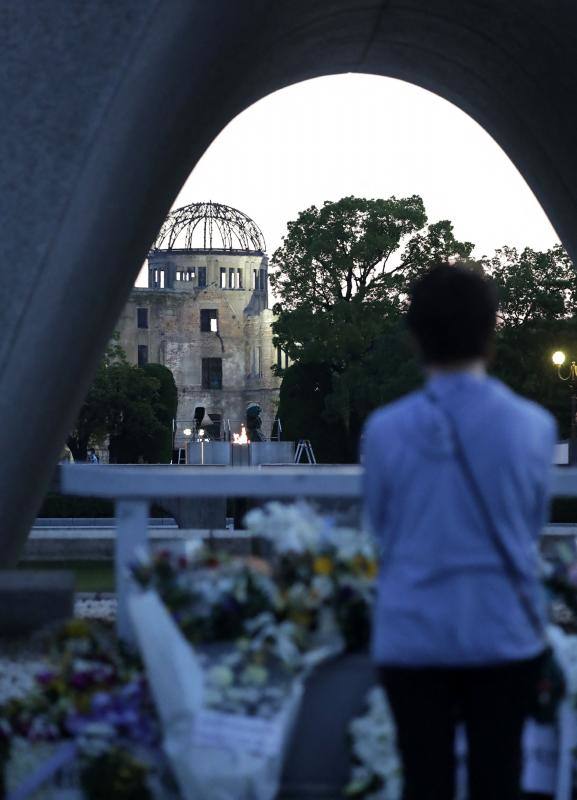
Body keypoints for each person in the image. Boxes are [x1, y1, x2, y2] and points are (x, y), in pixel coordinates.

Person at [361, 263, 556, 799]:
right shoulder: (535, 427)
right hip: (501, 627)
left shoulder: (384, 431)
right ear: (491, 332)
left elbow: (380, 526)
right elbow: (529, 524)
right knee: (499, 778)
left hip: (413, 631)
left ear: (415, 336)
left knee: (425, 780)